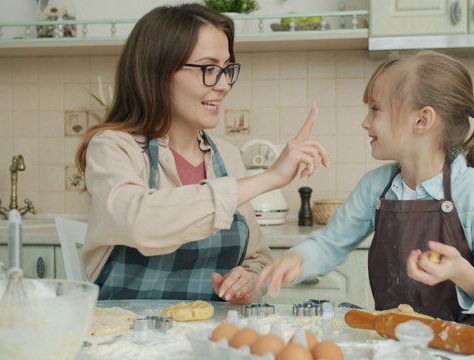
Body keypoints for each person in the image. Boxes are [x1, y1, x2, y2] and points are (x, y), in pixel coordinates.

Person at [75, 3, 328, 305]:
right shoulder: (114, 147)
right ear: (159, 71)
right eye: (209, 69)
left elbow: (257, 261)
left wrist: (248, 282)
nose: (223, 85)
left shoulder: (228, 156)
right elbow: (139, 221)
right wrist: (270, 178)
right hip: (125, 341)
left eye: (226, 70)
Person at [256, 50, 474, 324]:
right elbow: (331, 243)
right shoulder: (376, 187)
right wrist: (298, 260)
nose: (365, 122)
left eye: (375, 109)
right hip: (390, 343)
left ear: (422, 120)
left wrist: (463, 273)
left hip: (457, 349)